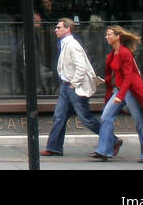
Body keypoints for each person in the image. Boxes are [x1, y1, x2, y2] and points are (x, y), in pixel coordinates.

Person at [92, 25, 143, 162]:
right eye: (107, 34)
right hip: (119, 90)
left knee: (139, 121)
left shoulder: (125, 53)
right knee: (105, 117)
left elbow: (129, 77)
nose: (106, 37)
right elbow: (115, 75)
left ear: (117, 37)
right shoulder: (113, 54)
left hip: (130, 91)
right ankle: (104, 150)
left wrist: (120, 96)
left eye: (109, 34)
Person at [41, 18, 103, 156]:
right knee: (59, 117)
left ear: (67, 29)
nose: (55, 30)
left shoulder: (72, 44)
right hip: (66, 86)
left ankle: (112, 140)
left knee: (85, 118)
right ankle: (54, 148)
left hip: (74, 87)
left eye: (58, 27)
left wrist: (74, 84)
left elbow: (81, 66)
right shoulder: (64, 44)